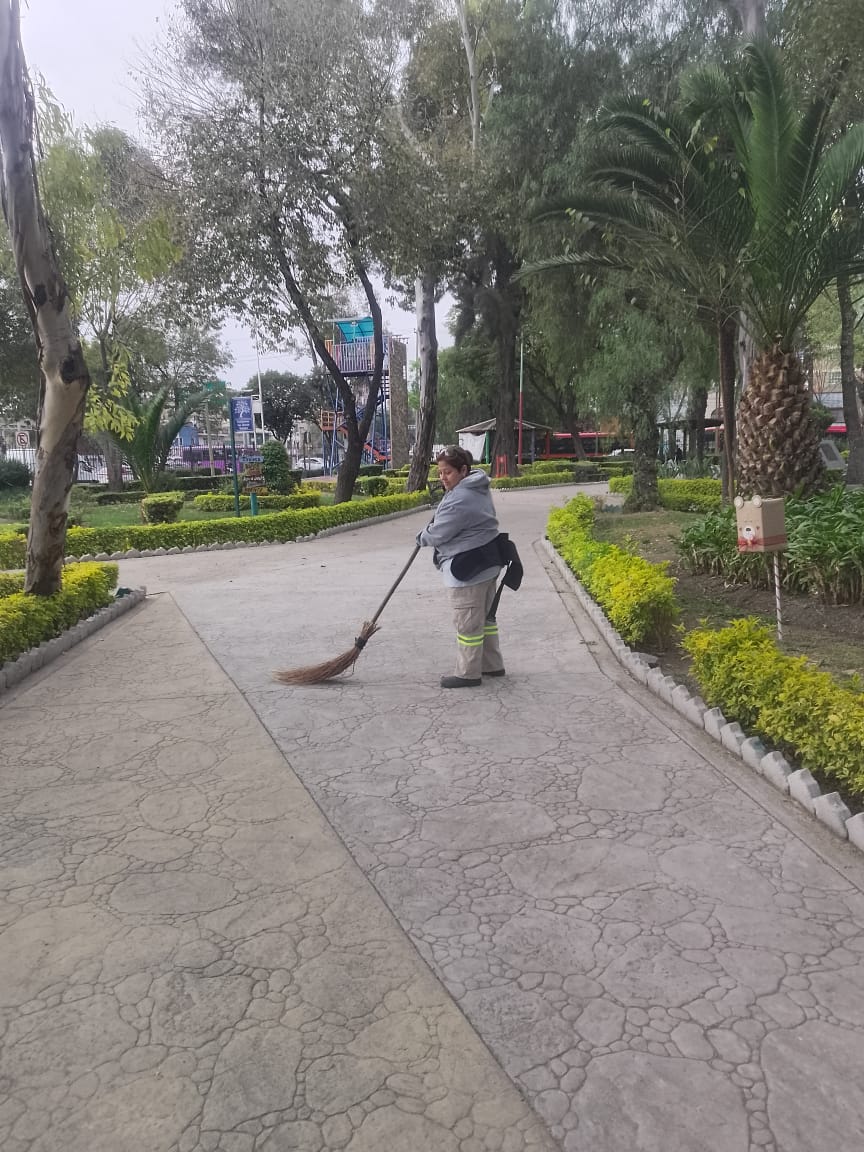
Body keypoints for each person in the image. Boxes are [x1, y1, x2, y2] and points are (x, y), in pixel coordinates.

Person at [417, 445, 506, 688]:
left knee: (467, 624)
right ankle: (492, 665)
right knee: (485, 620)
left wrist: (422, 536)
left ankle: (468, 674)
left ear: (463, 470)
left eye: (447, 472)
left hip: (468, 571)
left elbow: (439, 534)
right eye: (440, 473)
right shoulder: (477, 487)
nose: (442, 478)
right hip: (487, 564)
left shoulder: (460, 498)